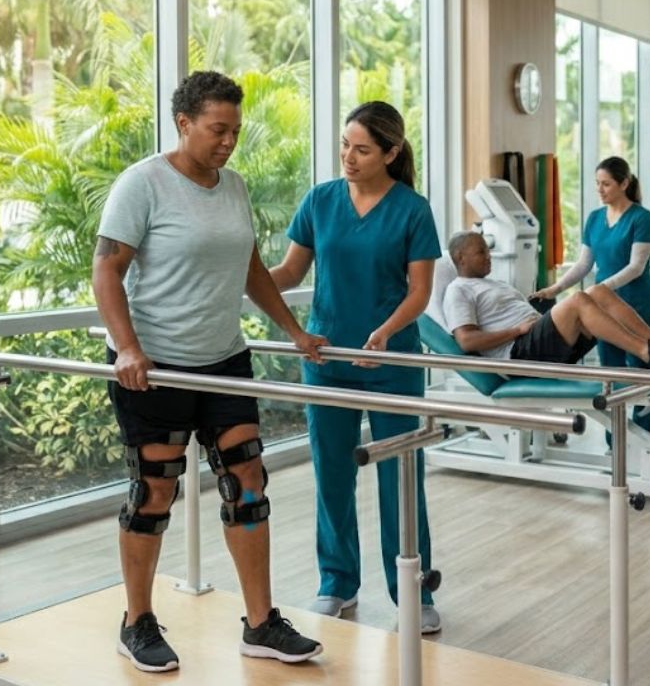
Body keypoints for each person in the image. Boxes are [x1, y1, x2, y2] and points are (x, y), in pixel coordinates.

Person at [92, 71, 326, 673]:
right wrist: (127, 348)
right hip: (156, 366)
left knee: (248, 481)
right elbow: (107, 270)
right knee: (155, 490)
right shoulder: (142, 184)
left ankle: (260, 623)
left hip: (224, 359)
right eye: (218, 129)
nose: (228, 141)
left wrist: (293, 331)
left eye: (235, 131)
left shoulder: (234, 186)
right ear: (184, 123)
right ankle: (137, 622)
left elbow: (251, 268)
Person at [267, 101, 443, 633]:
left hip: (392, 362)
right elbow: (290, 271)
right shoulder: (320, 200)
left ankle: (413, 590)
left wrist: (385, 332)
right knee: (332, 475)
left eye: (362, 149)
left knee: (401, 477)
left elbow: (419, 291)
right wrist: (236, 277)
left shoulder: (412, 209)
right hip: (327, 359)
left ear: (391, 152)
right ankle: (337, 582)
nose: (348, 156)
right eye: (345, 145)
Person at [531, 157, 650, 436]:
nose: (600, 190)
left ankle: (648, 444)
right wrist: (555, 289)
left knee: (643, 379)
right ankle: (615, 447)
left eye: (606, 184)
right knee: (611, 378)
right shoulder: (594, 219)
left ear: (624, 184)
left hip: (638, 303)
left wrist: (600, 290)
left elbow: (636, 267)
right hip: (602, 310)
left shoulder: (641, 218)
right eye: (597, 184)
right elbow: (583, 264)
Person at [445, 231, 650, 369]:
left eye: (487, 250)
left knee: (599, 291)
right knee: (578, 300)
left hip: (541, 343)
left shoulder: (495, 283)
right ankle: (646, 352)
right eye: (481, 252)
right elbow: (467, 341)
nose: (489, 256)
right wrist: (517, 330)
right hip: (519, 354)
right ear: (460, 258)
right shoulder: (458, 290)